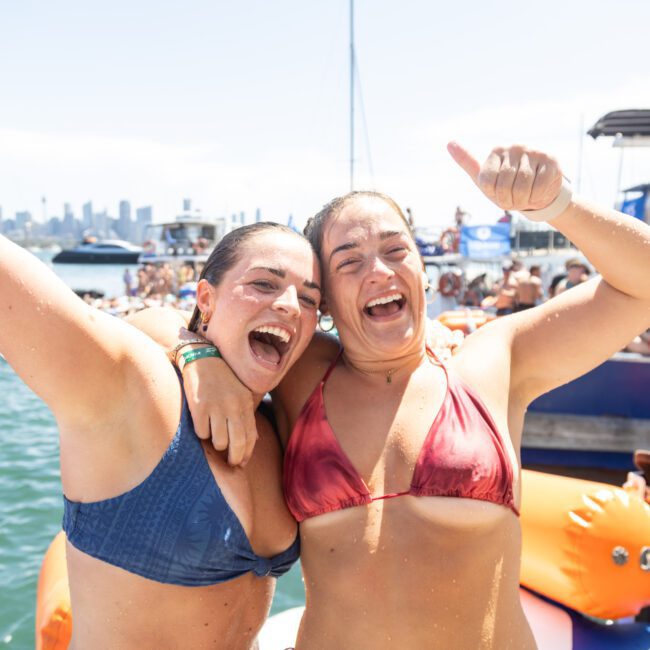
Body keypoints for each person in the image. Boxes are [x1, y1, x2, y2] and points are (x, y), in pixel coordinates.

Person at [161, 142, 650, 649]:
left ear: (422, 270)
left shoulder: (491, 361)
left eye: (397, 252)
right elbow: (142, 329)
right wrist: (198, 353)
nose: (379, 271)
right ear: (324, 301)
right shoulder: (301, 371)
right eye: (349, 262)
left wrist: (556, 205)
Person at [0, 222, 321, 649]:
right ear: (205, 299)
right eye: (264, 283)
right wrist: (192, 347)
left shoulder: (277, 419)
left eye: (309, 299)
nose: (289, 306)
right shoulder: (135, 392)